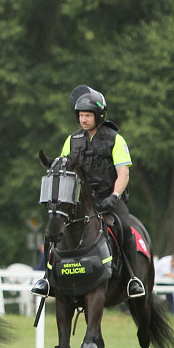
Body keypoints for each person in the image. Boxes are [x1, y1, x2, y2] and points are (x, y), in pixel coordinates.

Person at [31, 86, 144, 298]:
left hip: (108, 199)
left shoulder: (115, 140)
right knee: (52, 229)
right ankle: (47, 279)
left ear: (98, 116)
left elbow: (124, 174)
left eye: (88, 115)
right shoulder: (72, 140)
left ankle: (132, 279)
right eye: (81, 115)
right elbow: (63, 169)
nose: (83, 120)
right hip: (79, 201)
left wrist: (114, 196)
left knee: (126, 229)